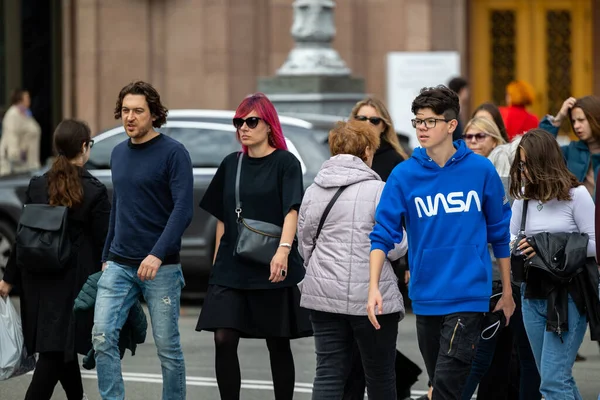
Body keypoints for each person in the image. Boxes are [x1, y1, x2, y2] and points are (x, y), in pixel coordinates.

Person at [368, 85, 515, 400]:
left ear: (451, 125)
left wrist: (508, 290)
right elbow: (383, 232)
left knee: (446, 389)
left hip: (468, 297)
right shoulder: (404, 175)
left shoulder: (480, 170)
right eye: (418, 120)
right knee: (440, 386)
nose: (422, 127)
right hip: (425, 296)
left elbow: (499, 232)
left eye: (430, 121)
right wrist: (373, 286)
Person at [195, 93, 312, 400]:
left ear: (268, 124)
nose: (243, 128)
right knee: (223, 338)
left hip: (272, 262)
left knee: (277, 341)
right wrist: (218, 261)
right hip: (232, 266)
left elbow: (292, 211)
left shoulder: (286, 163)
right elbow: (222, 217)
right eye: (238, 122)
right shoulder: (231, 164)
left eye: (251, 121)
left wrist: (283, 252)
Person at [92, 81, 194, 400]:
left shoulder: (174, 153)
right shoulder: (119, 153)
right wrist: (107, 253)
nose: (130, 117)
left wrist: (157, 254)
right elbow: (119, 205)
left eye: (138, 111)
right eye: (125, 111)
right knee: (102, 335)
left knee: (168, 350)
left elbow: (183, 209)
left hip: (160, 267)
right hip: (119, 264)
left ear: (153, 114)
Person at [0, 119, 110, 400]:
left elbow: (23, 237)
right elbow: (105, 243)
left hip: (37, 283)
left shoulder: (38, 185)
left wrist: (8, 279)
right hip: (73, 286)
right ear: (84, 147)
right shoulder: (95, 191)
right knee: (54, 355)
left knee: (61, 351)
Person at [297, 119, 406, 399]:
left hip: (323, 294)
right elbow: (395, 246)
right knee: (380, 375)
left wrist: (320, 268)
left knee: (328, 371)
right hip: (372, 297)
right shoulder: (379, 191)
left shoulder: (314, 190)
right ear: (368, 150)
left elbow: (305, 242)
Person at [510, 129, 597, 399]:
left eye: (528, 164)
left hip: (568, 296)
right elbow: (510, 237)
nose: (523, 171)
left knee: (552, 382)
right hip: (530, 293)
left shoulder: (576, 195)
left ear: (545, 162)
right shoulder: (523, 197)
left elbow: (594, 244)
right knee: (555, 378)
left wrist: (546, 246)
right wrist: (520, 246)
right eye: (520, 164)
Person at [345, 97, 421, 400]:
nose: (367, 125)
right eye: (360, 119)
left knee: (374, 339)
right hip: (348, 261)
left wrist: (408, 264)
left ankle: (396, 381)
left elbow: (408, 220)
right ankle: (399, 379)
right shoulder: (346, 158)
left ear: (384, 126)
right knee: (352, 340)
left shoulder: (397, 163)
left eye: (373, 120)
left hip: (388, 261)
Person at [461, 117, 541, 400]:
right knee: (488, 357)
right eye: (467, 136)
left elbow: (505, 237)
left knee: (503, 357)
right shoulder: (464, 176)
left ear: (495, 140)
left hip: (507, 281)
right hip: (485, 280)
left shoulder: (505, 184)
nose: (472, 142)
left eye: (479, 136)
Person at [540, 96, 600, 198]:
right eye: (573, 121)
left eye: (581, 120)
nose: (576, 126)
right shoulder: (570, 151)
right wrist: (559, 118)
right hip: (578, 212)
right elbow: (540, 150)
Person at [0, 88, 41, 175]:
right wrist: (14, 156)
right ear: (20, 100)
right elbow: (11, 135)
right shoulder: (12, 115)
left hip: (29, 163)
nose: (29, 100)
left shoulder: (26, 114)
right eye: (27, 97)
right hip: (17, 167)